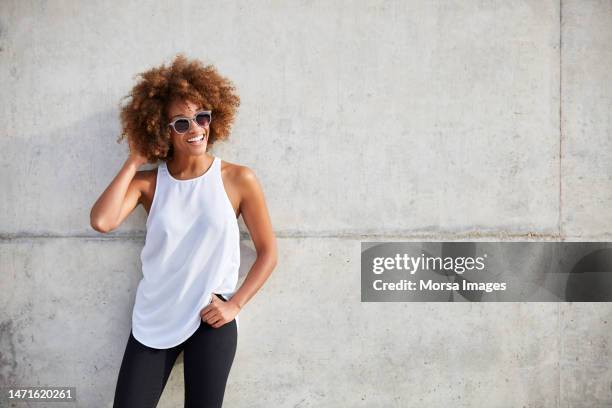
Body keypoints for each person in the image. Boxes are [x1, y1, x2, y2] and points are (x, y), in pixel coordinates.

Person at [89, 54, 278, 407]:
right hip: (154, 317)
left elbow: (268, 252)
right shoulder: (149, 184)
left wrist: (234, 305)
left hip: (211, 320)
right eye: (181, 123)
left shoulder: (238, 179)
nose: (195, 129)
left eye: (201, 117)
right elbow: (102, 221)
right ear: (162, 130)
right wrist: (133, 159)